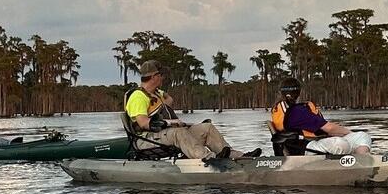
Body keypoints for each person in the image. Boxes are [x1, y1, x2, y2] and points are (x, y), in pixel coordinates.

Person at [125, 60, 253, 160]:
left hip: (166, 135)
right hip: (146, 140)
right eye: (161, 75)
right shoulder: (138, 97)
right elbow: (143, 123)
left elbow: (169, 101)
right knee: (178, 132)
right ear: (153, 77)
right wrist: (170, 122)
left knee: (206, 127)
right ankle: (209, 159)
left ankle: (233, 155)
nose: (162, 78)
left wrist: (161, 96)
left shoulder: (155, 94)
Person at [269, 77, 371, 156]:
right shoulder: (297, 111)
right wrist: (349, 134)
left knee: (362, 136)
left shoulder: (286, 109)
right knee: (341, 144)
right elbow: (329, 129)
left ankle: (362, 163)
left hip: (313, 144)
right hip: (303, 149)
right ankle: (357, 165)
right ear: (299, 93)